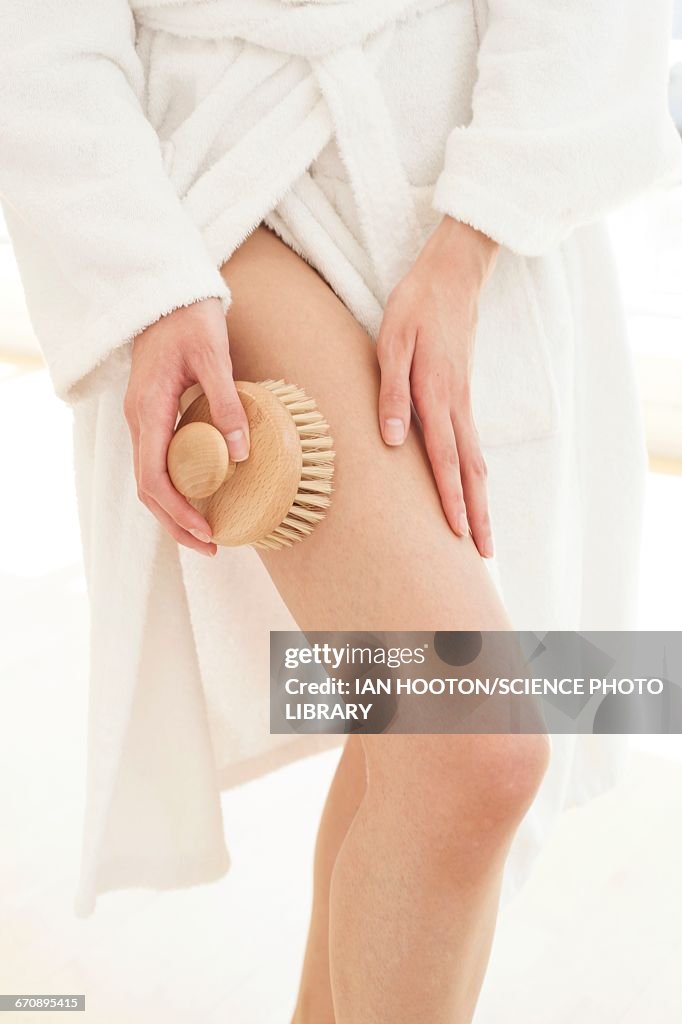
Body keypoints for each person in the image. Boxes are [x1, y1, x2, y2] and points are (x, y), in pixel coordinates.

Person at [1, 0, 680, 1020]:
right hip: (227, 185)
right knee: (473, 747)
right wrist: (145, 276)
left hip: (454, 158)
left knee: (400, 741)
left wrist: (474, 232)